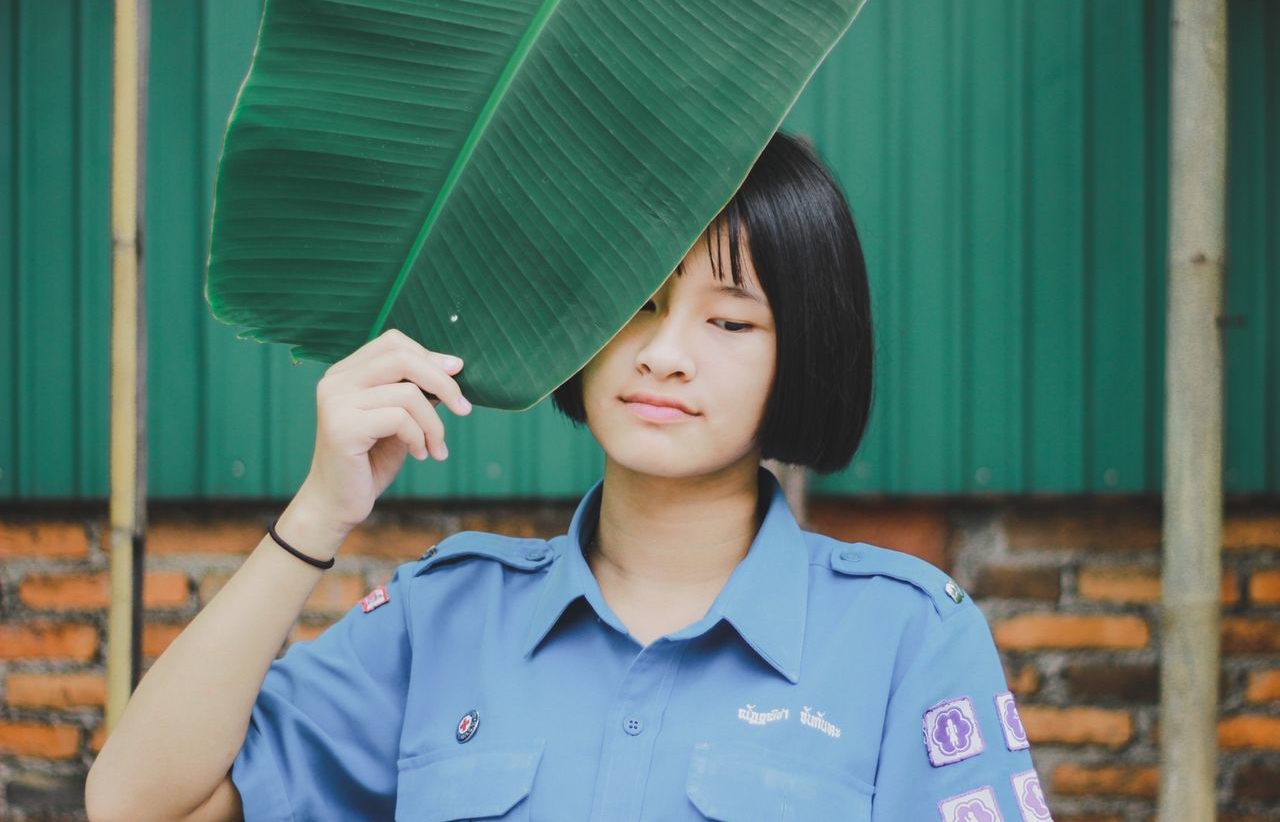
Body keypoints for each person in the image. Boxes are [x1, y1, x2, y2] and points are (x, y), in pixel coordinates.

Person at [85, 129, 1049, 822]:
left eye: (730, 319)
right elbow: (136, 803)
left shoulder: (910, 637)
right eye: (638, 303)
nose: (665, 354)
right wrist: (318, 510)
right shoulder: (445, 616)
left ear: (804, 354)